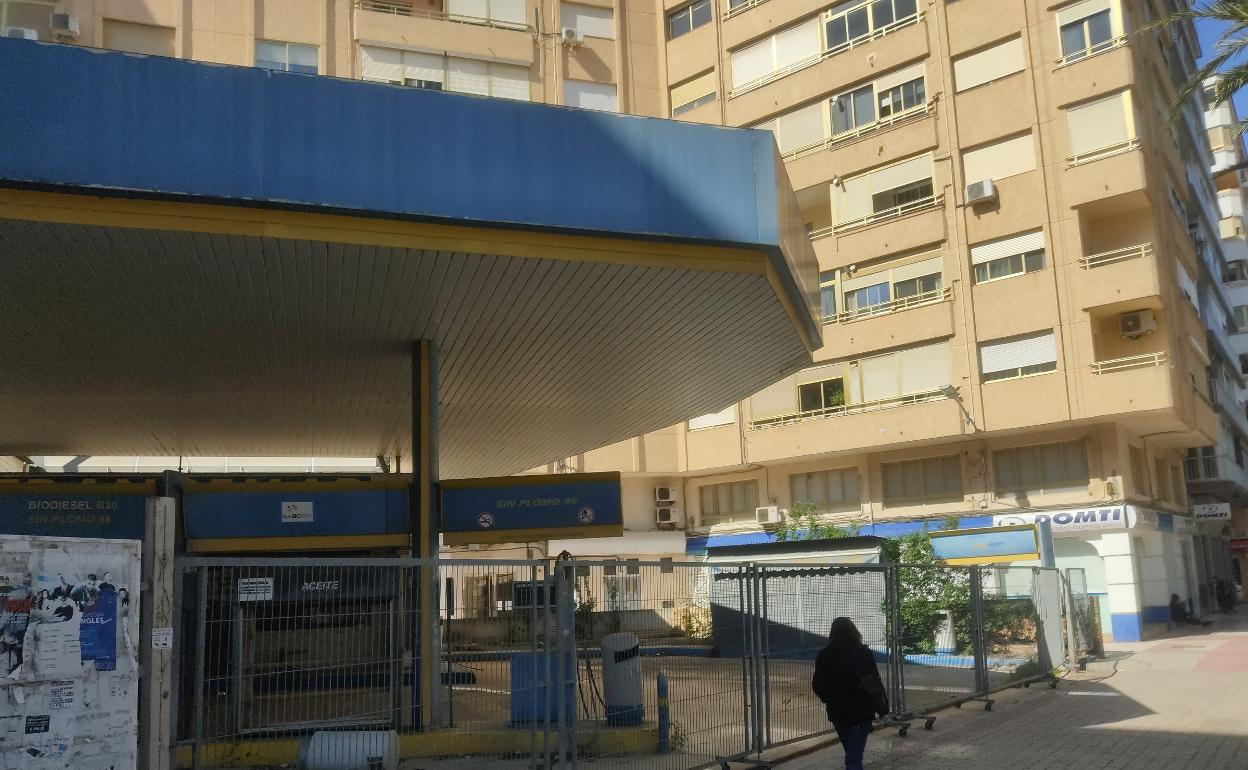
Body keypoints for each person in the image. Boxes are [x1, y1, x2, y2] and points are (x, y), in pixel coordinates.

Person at [812, 617, 888, 770]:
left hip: (839, 711)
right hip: (863, 710)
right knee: (854, 755)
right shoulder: (863, 653)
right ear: (854, 632)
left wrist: (828, 699)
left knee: (851, 752)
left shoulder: (824, 656)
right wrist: (881, 705)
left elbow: (818, 685)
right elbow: (874, 680)